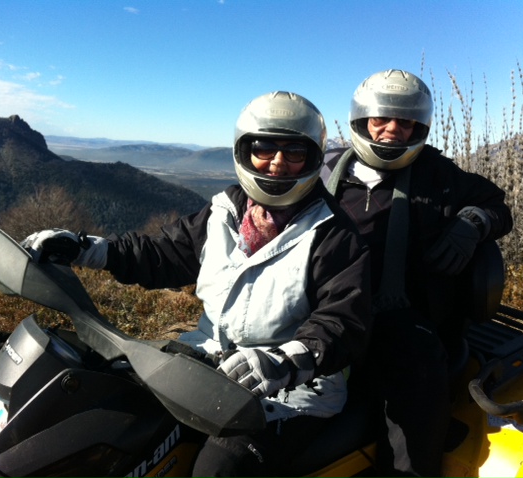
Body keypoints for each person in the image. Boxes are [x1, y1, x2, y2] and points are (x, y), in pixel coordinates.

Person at [23, 91, 372, 478]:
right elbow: (163, 253)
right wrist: (87, 249)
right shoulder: (225, 212)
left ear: (313, 158)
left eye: (294, 151)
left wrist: (285, 361)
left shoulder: (334, 234)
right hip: (208, 363)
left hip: (291, 389)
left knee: (219, 468)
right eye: (264, 147)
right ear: (244, 151)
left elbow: (343, 320)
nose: (277, 162)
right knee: (116, 413)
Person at [320, 69, 513, 478]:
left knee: (417, 385)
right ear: (361, 120)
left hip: (406, 315)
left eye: (405, 121)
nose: (392, 130)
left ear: (419, 127)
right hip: (326, 307)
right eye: (381, 119)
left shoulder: (438, 174)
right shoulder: (326, 171)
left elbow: (496, 205)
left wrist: (472, 223)